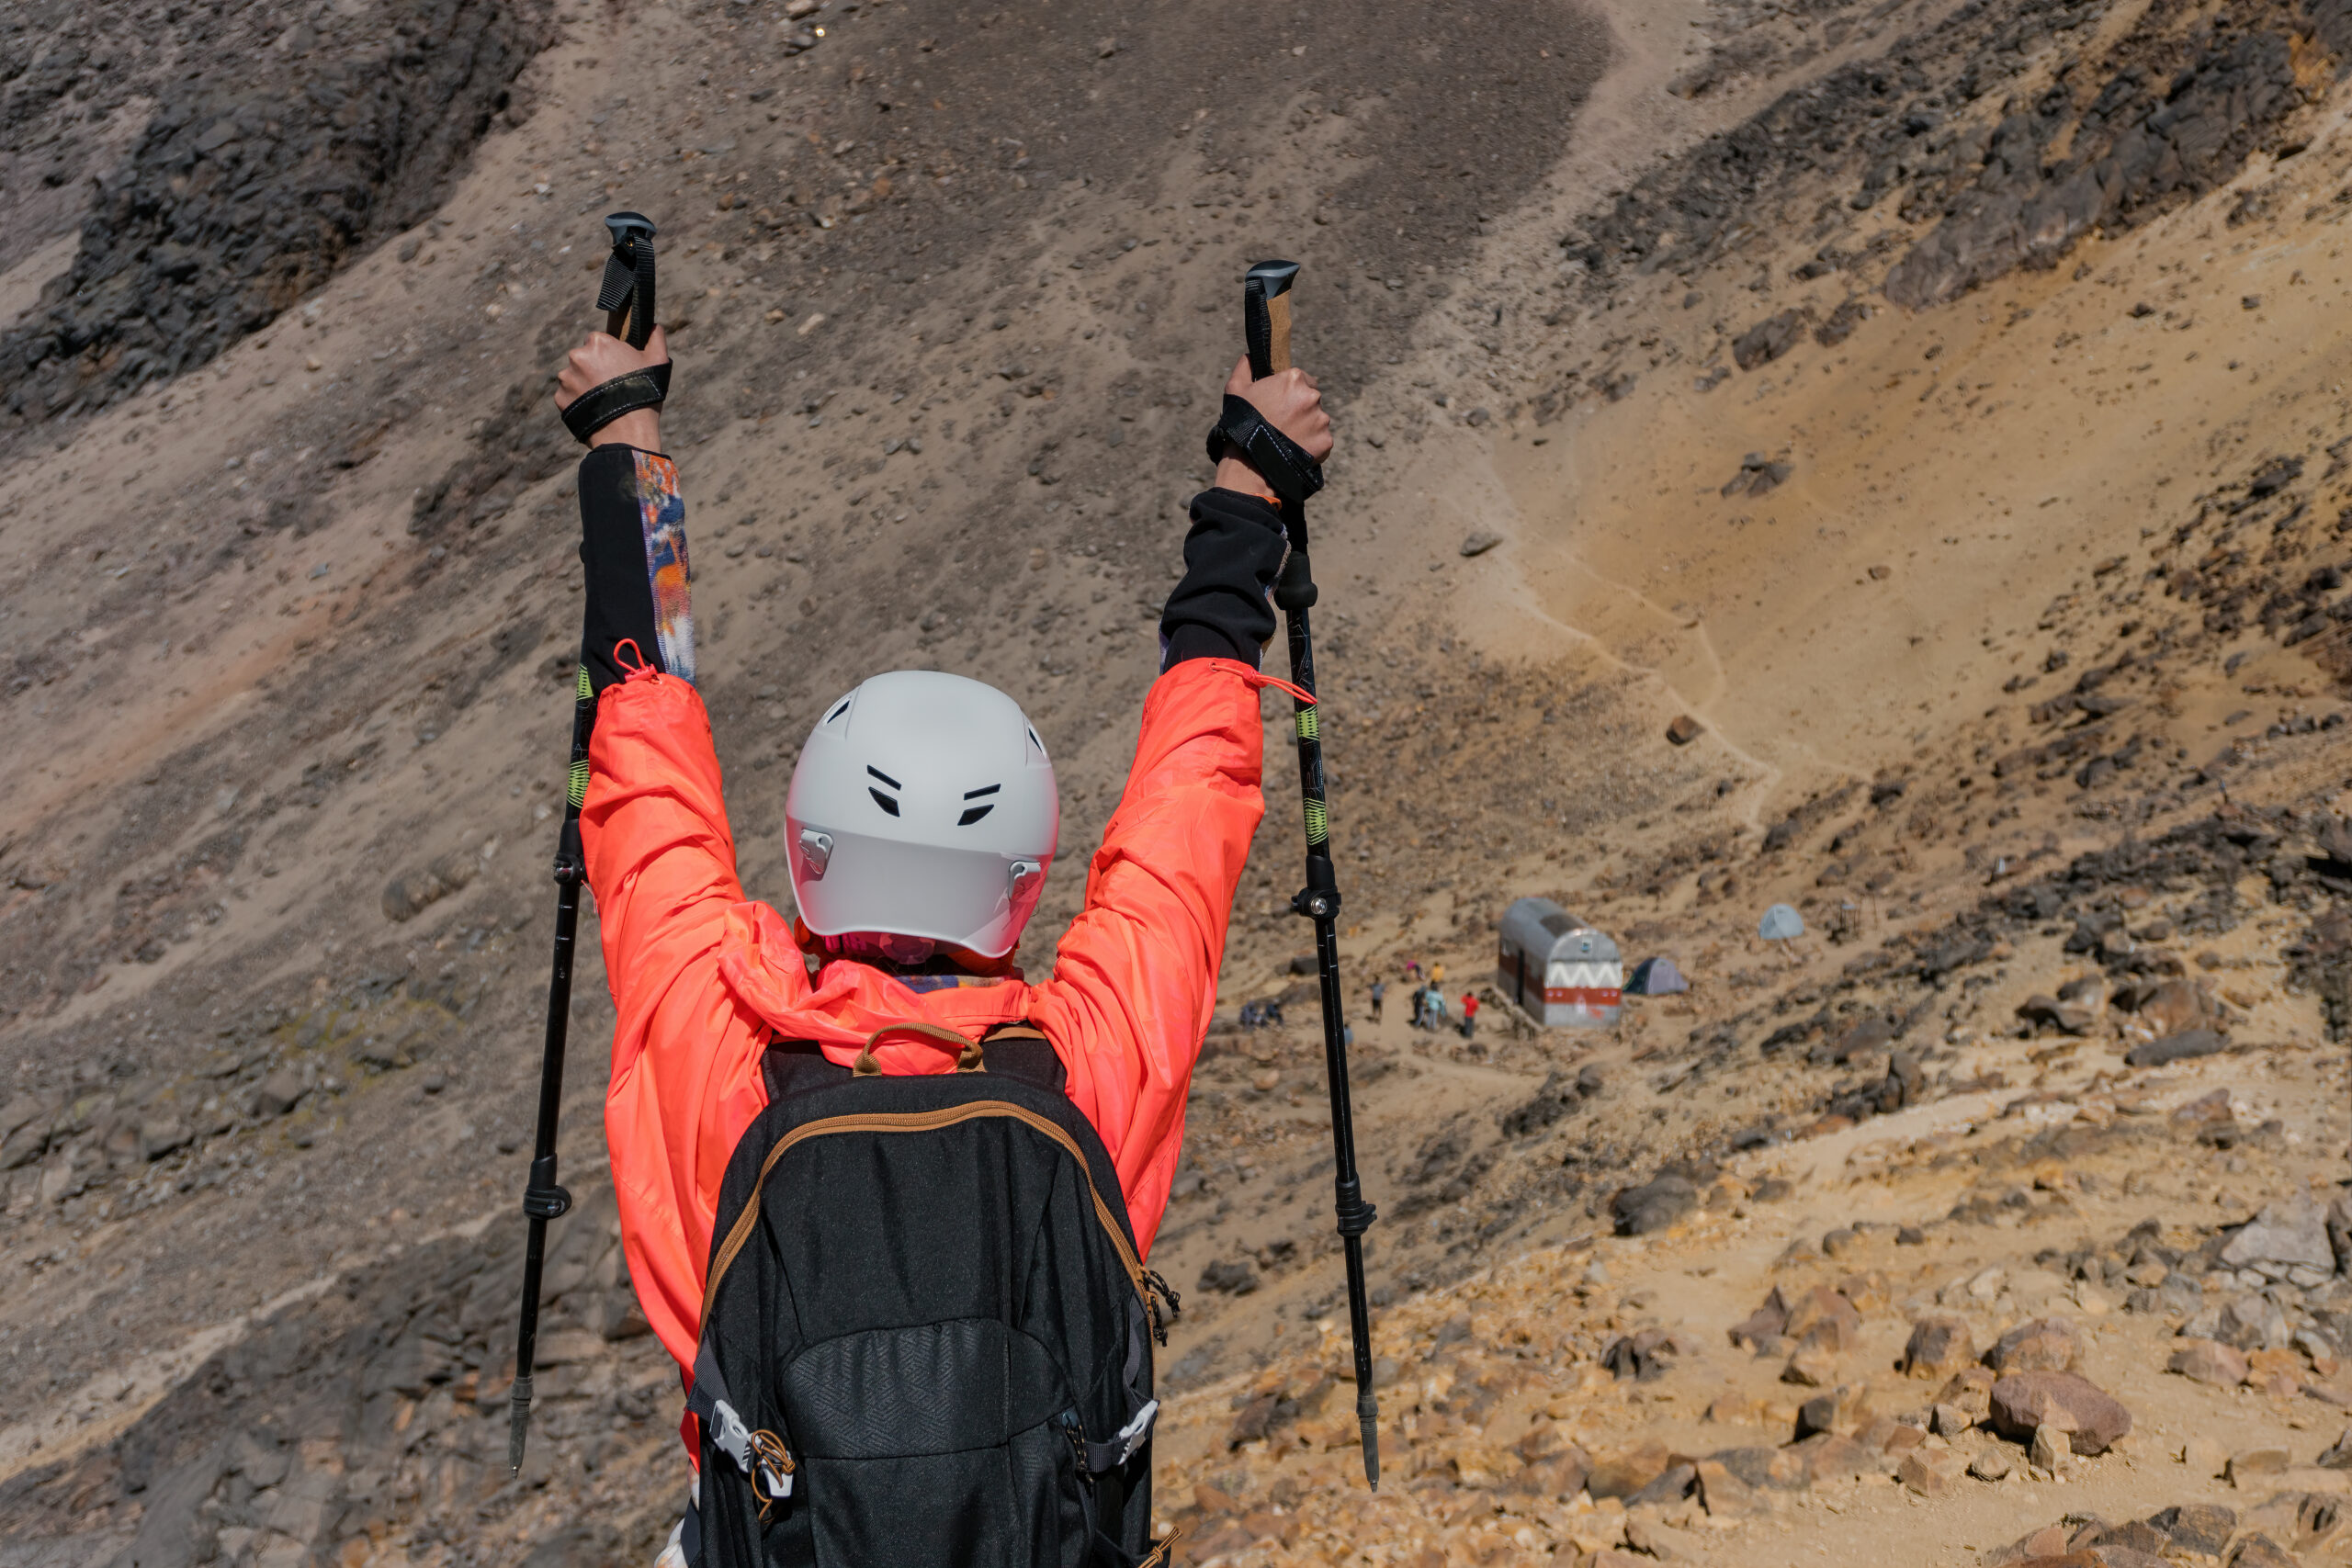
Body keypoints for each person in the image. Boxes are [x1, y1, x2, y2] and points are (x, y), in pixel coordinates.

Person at [552, 325, 1332, 1561]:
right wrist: (1253, 487)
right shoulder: (1081, 1064)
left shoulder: (713, 1030)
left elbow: (644, 739)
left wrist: (626, 448)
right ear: (1023, 877)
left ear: (809, 844)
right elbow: (1190, 805)